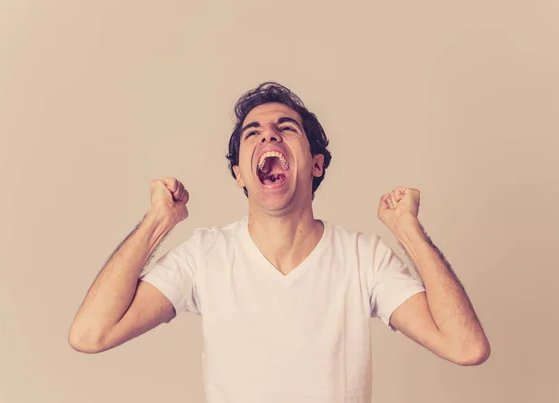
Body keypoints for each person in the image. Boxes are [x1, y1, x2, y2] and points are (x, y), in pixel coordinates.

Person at [68, 82, 490, 402]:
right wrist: (158, 221)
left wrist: (407, 231)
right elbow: (91, 334)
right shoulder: (204, 255)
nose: (268, 136)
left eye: (285, 128)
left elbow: (466, 347)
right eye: (253, 133)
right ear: (240, 174)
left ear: (316, 163)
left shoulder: (364, 258)